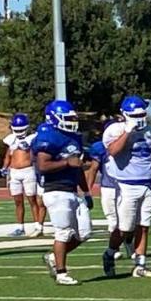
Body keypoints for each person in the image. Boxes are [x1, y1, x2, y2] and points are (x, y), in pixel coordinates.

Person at [101, 95, 151, 278]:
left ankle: (140, 264)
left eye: (142, 114)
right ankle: (109, 253)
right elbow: (112, 151)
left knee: (144, 226)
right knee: (125, 228)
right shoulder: (115, 130)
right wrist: (127, 132)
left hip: (148, 184)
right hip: (126, 185)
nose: (140, 118)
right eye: (136, 115)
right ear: (125, 115)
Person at [35, 100, 93, 285]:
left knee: (84, 233)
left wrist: (86, 191)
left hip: (72, 190)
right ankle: (61, 273)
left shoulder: (74, 137)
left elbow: (77, 168)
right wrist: (66, 163)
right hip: (55, 190)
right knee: (63, 233)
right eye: (68, 118)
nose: (72, 121)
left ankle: (53, 256)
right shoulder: (48, 136)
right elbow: (42, 165)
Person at [86, 122, 132, 260]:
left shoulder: (129, 143)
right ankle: (115, 249)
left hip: (126, 186)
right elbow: (93, 169)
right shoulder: (100, 148)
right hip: (108, 187)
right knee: (113, 221)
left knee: (129, 221)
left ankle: (129, 245)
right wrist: (88, 191)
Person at [3, 113, 45, 237]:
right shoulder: (10, 139)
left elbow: (36, 153)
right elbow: (8, 155)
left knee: (32, 200)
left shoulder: (32, 138)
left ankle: (38, 225)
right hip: (14, 172)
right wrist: (4, 168)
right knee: (18, 201)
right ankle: (20, 227)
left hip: (28, 171)